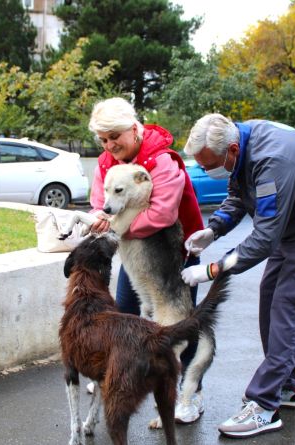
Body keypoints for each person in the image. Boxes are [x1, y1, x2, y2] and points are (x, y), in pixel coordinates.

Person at [180, 114, 295, 439]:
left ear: (231, 150)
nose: (205, 172)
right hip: (294, 227)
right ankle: (290, 387)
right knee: (270, 305)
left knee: (288, 312)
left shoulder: (273, 159)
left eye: (210, 165)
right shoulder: (241, 144)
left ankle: (264, 406)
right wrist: (213, 229)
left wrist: (212, 270)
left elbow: (264, 237)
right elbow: (239, 196)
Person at [85, 97, 207, 422]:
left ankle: (188, 396)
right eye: (103, 139)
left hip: (177, 251)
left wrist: (114, 226)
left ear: (134, 127)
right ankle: (124, 376)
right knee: (126, 313)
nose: (110, 145)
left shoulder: (161, 160)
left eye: (115, 137)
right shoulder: (105, 163)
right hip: (138, 256)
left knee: (179, 326)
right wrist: (102, 216)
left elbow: (161, 214)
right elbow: (100, 201)